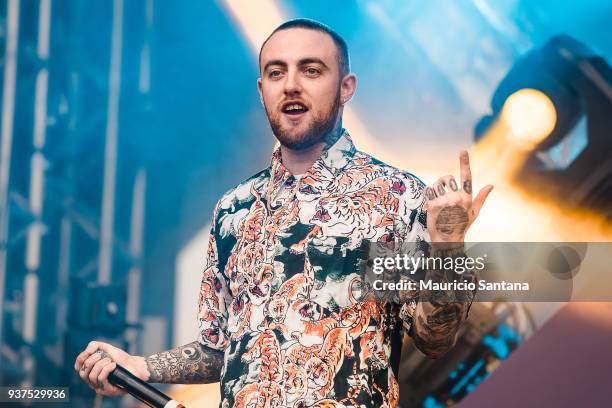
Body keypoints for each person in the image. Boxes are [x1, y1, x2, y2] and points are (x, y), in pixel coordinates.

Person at [75, 18, 493, 407]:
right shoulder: (233, 210)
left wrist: (448, 248)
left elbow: (434, 338)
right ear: (262, 91)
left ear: (346, 87)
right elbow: (220, 350)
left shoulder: (397, 196)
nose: (291, 85)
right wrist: (142, 366)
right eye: (277, 73)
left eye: (311, 70)